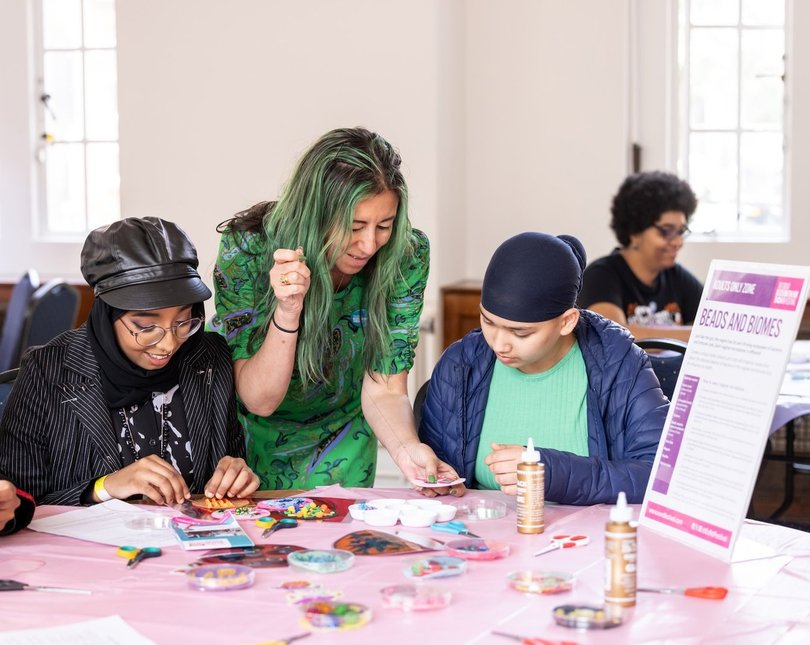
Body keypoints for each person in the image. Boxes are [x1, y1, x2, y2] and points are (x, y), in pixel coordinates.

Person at [212, 127, 459, 493]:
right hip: (250, 443)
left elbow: (386, 389)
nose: (369, 243)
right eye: (354, 226)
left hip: (343, 437)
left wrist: (409, 451)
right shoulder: (247, 249)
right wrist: (288, 310)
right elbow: (258, 399)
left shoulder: (406, 255)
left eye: (384, 225)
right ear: (315, 213)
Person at [0, 217, 259, 506]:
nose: (169, 343)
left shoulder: (208, 357)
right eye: (146, 327)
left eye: (184, 321)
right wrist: (105, 487)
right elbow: (18, 502)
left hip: (193, 546)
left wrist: (235, 472)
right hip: (91, 549)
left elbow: (229, 457)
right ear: (108, 315)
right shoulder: (48, 370)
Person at [418, 232, 668, 504]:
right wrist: (435, 479)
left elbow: (659, 476)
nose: (499, 344)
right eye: (488, 322)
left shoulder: (620, 365)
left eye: (521, 333)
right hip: (479, 538)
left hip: (586, 540)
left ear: (567, 322)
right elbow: (437, 474)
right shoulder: (460, 366)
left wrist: (553, 474)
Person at [578, 171, 703, 341]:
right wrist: (696, 336)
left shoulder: (678, 278)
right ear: (635, 232)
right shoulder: (601, 276)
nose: (678, 242)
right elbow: (613, 336)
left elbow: (712, 325)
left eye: (681, 231)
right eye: (667, 231)